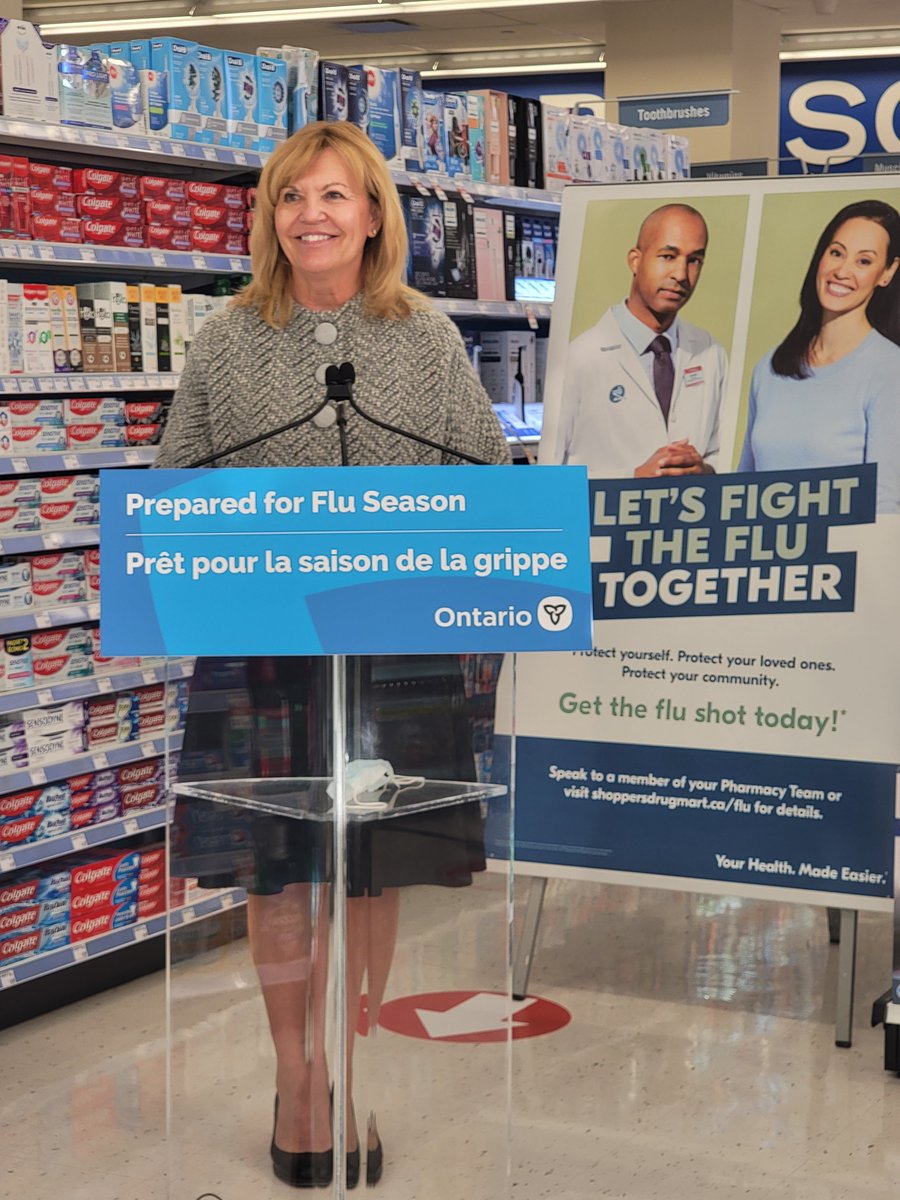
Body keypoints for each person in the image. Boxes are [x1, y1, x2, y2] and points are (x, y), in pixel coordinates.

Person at [156, 120, 510, 1189]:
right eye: (291, 196)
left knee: (371, 864)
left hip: (394, 648)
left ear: (372, 217)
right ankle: (298, 1075)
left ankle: (351, 1064)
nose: (312, 213)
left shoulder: (428, 336)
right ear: (270, 217)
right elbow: (176, 489)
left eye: (335, 196)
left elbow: (489, 476)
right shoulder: (224, 338)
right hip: (265, 652)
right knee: (279, 870)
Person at [738, 199, 900, 512]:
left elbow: (885, 504)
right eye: (837, 253)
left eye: (864, 261)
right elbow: (744, 488)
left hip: (843, 559)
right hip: (766, 558)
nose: (842, 271)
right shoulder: (769, 368)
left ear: (887, 272)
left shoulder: (889, 370)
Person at [553, 202, 727, 477]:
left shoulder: (710, 352)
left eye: (694, 260)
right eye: (668, 256)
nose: (681, 275)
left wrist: (704, 470)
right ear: (635, 260)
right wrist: (632, 480)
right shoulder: (579, 357)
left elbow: (722, 453)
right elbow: (549, 480)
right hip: (607, 519)